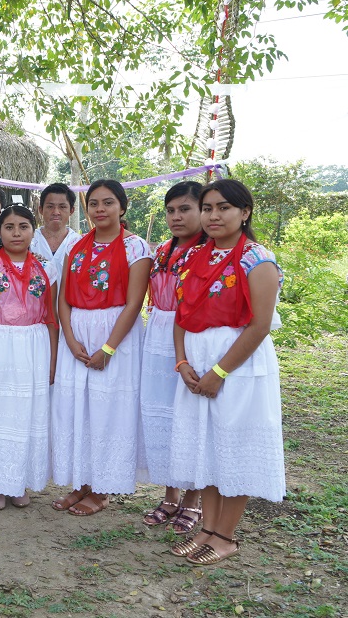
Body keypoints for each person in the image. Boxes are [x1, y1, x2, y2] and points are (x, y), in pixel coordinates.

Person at [168, 179, 284, 566]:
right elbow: (180, 314)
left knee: (235, 448)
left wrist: (219, 371)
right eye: (208, 208)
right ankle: (207, 529)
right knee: (208, 448)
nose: (213, 216)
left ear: (244, 212)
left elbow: (260, 325)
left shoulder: (257, 259)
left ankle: (226, 536)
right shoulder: (193, 257)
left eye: (224, 208)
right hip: (196, 364)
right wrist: (182, 362)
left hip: (239, 367)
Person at [51, 179, 152, 516]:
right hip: (77, 334)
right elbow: (63, 297)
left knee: (109, 411)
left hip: (116, 335)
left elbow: (135, 302)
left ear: (122, 208)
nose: (99, 209)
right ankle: (81, 483)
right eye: (93, 203)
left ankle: (104, 488)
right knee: (79, 408)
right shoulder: (74, 245)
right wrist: (69, 336)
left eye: (108, 203)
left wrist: (108, 348)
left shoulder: (136, 247)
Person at [0, 205, 58, 509]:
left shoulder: (47, 266)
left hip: (32, 346)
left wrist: (52, 361)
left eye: (23, 226)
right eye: (9, 227)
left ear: (34, 231)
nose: (16, 233)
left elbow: (52, 316)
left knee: (26, 415)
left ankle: (19, 480)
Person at [140, 182, 205, 534]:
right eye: (171, 210)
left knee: (189, 416)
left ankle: (194, 499)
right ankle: (169, 495)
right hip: (158, 334)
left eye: (185, 209)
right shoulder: (163, 249)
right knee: (163, 415)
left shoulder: (210, 250)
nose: (176, 217)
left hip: (190, 335)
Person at [30, 183, 82, 283]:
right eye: (50, 207)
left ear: (71, 210)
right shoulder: (29, 240)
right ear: (41, 209)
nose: (56, 212)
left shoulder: (79, 243)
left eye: (62, 207)